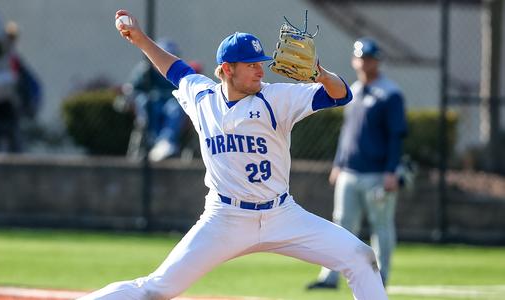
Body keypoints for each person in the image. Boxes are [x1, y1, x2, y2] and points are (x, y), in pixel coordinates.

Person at [79, 11, 388, 300]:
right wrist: (141, 38)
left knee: (360, 258)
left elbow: (341, 94)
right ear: (227, 69)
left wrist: (320, 73)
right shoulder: (202, 96)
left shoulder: (277, 98)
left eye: (260, 62)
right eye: (251, 63)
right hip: (225, 218)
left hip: (282, 215)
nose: (260, 68)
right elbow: (175, 70)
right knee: (157, 289)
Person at [306, 37, 407, 290]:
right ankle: (329, 277)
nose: (364, 63)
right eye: (361, 58)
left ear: (378, 61)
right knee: (340, 226)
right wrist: (338, 163)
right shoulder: (353, 89)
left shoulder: (390, 93)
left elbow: (396, 135)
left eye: (369, 58)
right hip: (349, 171)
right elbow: (347, 132)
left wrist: (391, 171)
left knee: (381, 226)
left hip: (377, 173)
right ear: (354, 60)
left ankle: (381, 277)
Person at [122, 38, 187, 161]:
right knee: (146, 104)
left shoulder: (179, 72)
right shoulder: (145, 70)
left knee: (175, 108)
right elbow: (132, 89)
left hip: (170, 103)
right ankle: (152, 140)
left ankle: (166, 142)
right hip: (151, 104)